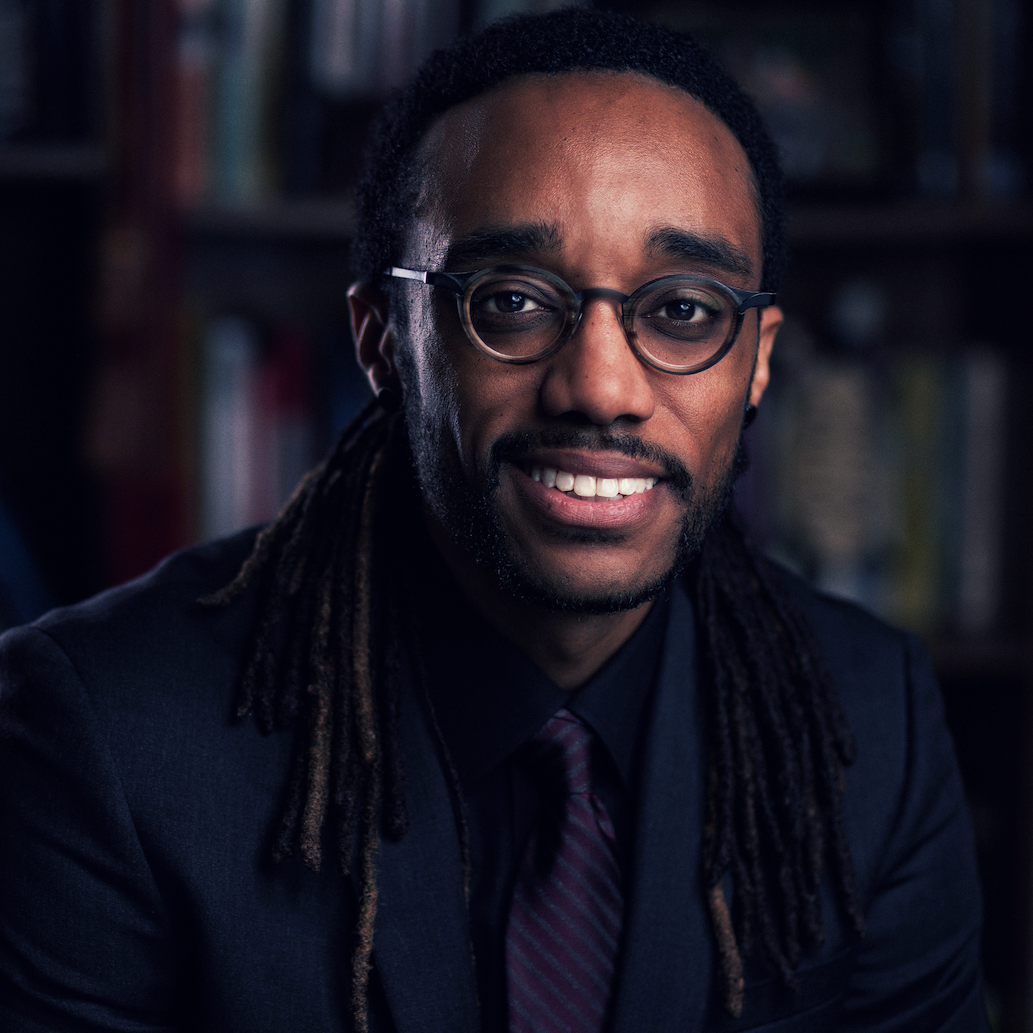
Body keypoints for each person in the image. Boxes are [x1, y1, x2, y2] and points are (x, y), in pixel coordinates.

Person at [0, 9, 986, 1033]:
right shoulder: (104, 733)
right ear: (382, 339)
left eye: (682, 310)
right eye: (513, 300)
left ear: (759, 361)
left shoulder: (873, 726)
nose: (600, 387)